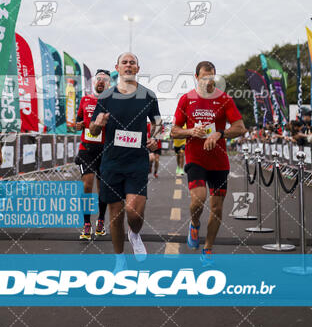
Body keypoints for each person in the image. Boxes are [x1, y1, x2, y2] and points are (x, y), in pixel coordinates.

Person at [89, 52, 161, 269]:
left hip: (137, 161)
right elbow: (92, 130)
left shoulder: (148, 95)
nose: (128, 65)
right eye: (124, 62)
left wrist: (155, 138)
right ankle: (119, 258)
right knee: (115, 213)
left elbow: (157, 122)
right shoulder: (106, 97)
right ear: (117, 68)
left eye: (132, 63)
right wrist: (98, 123)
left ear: (137, 69)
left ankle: (135, 234)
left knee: (134, 212)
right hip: (111, 162)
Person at [171, 61, 245, 265]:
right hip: (195, 158)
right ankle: (194, 224)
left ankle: (208, 248)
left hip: (219, 161)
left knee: (217, 208)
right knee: (198, 199)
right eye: (204, 77)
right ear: (196, 77)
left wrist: (220, 133)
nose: (208, 81)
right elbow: (174, 130)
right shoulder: (187, 99)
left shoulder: (224, 99)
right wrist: (189, 131)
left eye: (211, 77)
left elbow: (240, 128)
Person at [75, 69, 111, 240]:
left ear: (109, 83)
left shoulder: (112, 102)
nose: (101, 82)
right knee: (87, 185)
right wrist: (78, 125)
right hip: (87, 149)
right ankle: (86, 223)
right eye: (99, 79)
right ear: (94, 82)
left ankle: (101, 220)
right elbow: (77, 122)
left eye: (104, 79)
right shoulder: (85, 99)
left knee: (103, 188)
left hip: (105, 150)